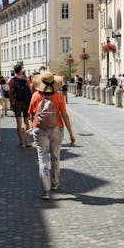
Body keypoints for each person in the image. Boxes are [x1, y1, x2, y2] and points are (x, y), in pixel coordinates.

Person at [28, 71, 75, 200]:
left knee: (42, 159)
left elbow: (31, 114)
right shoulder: (59, 96)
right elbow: (65, 115)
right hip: (56, 128)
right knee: (55, 157)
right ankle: (55, 184)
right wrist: (71, 133)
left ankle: (46, 190)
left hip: (39, 128)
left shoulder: (35, 96)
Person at [9, 64, 32, 148]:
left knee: (19, 123)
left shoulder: (12, 80)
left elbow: (10, 92)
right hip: (26, 103)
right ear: (21, 70)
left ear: (15, 71)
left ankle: (22, 142)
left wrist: (11, 104)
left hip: (17, 103)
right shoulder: (27, 79)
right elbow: (30, 91)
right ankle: (28, 140)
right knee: (27, 122)